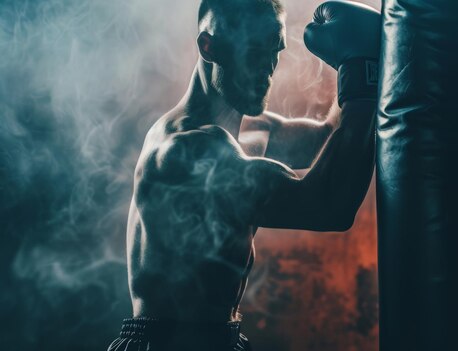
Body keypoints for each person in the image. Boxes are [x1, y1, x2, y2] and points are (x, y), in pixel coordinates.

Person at [106, 0, 381, 350]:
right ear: (209, 47)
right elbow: (328, 205)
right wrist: (363, 71)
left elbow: (336, 139)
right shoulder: (188, 150)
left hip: (222, 339)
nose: (267, 67)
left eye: (274, 50)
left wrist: (352, 69)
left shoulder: (255, 132)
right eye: (253, 50)